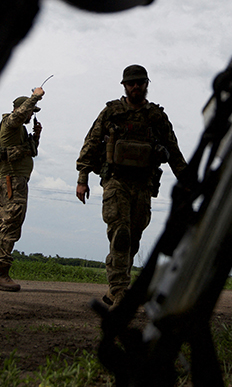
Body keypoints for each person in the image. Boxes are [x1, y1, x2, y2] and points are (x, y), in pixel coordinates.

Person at [76, 64, 187, 307]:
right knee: (121, 234)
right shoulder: (112, 112)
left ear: (147, 84)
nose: (136, 86)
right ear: (124, 86)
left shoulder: (156, 117)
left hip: (144, 184)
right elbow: (91, 143)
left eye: (140, 82)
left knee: (134, 237)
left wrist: (188, 182)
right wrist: (82, 179)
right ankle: (119, 291)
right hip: (116, 181)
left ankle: (115, 288)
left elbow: (174, 152)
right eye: (131, 83)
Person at [0, 86, 44, 291]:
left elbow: (27, 151)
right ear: (19, 109)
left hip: (8, 181)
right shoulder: (10, 122)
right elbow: (18, 115)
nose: (31, 115)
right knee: (10, 225)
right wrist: (35, 97)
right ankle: (0, 274)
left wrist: (36, 137)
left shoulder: (19, 130)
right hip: (13, 182)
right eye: (29, 111)